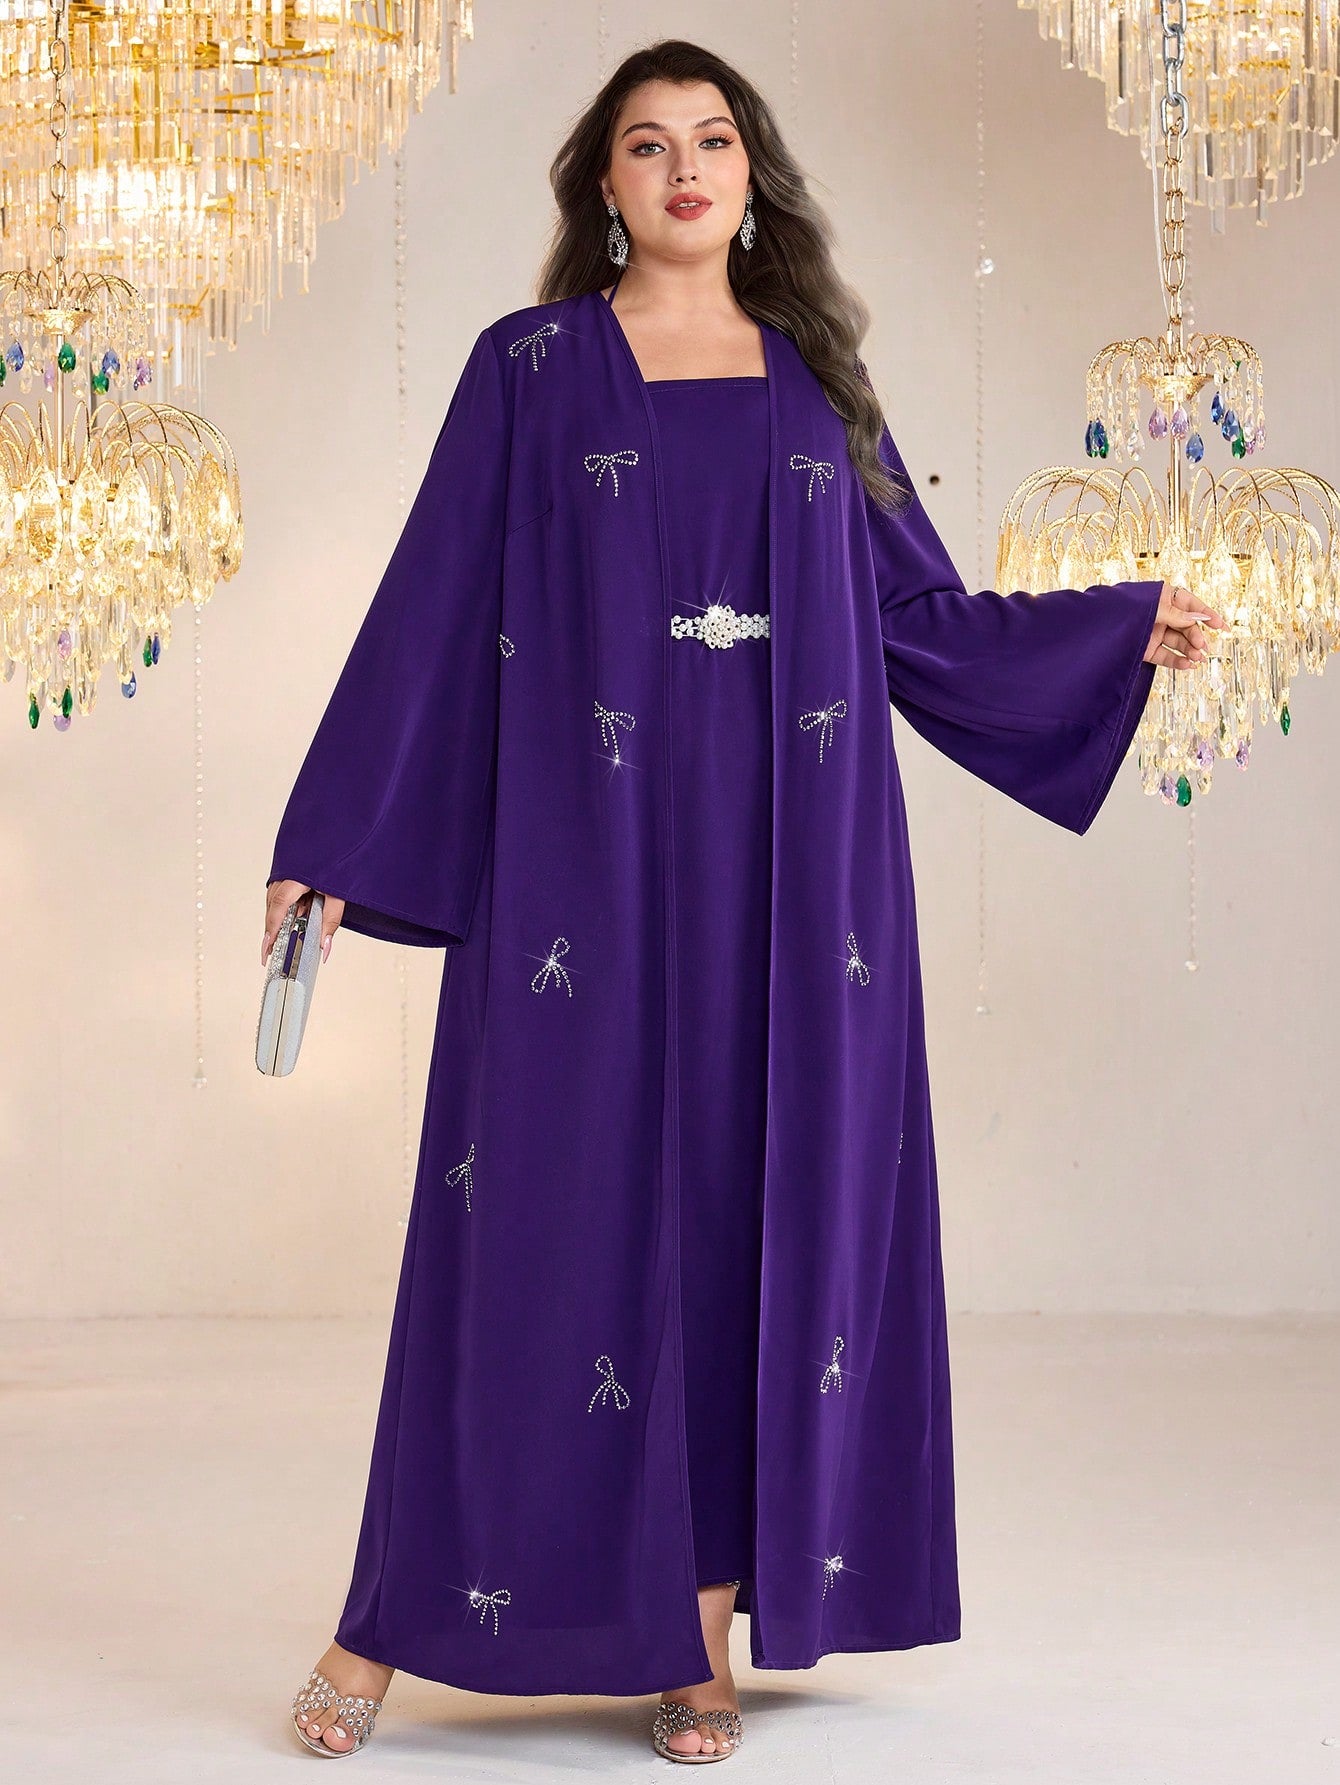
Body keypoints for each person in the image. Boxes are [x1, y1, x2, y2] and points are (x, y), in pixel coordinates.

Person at [264, 37, 1223, 1765]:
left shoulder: (813, 384)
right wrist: (334, 831)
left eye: (713, 140)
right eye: (648, 145)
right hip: (579, 866)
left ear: (752, 176)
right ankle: (385, 1618)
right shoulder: (530, 368)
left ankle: (696, 1632)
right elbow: (432, 597)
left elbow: (918, 619)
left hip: (794, 879)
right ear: (606, 187)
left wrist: (1110, 626)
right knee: (529, 1223)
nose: (686, 168)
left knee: (746, 1226)